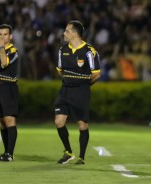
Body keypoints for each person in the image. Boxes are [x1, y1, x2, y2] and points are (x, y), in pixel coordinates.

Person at [54, 20, 101, 165]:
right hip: (65, 90)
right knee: (59, 121)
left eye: (67, 31)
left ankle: (82, 157)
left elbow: (96, 74)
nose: (64, 33)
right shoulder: (62, 50)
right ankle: (68, 152)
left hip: (81, 92)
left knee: (82, 125)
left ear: (75, 33)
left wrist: (83, 85)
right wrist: (70, 81)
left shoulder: (89, 51)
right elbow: (60, 71)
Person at [0, 24, 19, 161]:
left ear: (10, 36)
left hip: (9, 88)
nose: (2, 37)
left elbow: (4, 64)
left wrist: (2, 47)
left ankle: (10, 154)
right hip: (0, 87)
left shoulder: (12, 51)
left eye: (5, 34)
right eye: (0, 34)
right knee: (1, 121)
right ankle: (6, 152)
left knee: (9, 119)